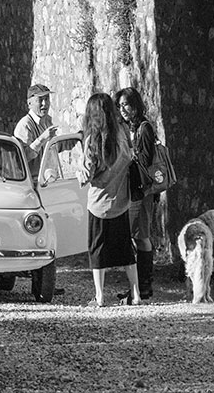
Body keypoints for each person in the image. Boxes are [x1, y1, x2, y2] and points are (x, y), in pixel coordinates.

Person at [77, 91, 141, 308]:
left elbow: (87, 174)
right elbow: (130, 157)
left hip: (98, 204)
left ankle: (100, 297)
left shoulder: (92, 140)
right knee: (126, 250)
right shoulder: (122, 133)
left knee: (97, 251)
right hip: (121, 201)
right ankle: (136, 294)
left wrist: (78, 174)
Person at [115, 86, 156, 300]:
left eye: (127, 105)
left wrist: (130, 155)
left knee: (142, 236)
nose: (123, 109)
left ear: (135, 105)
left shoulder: (144, 128)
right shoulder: (127, 128)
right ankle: (137, 286)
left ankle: (144, 286)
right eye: (120, 105)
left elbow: (147, 161)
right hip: (132, 190)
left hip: (143, 191)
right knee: (135, 236)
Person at [13, 83, 57, 177]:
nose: (44, 104)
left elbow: (56, 147)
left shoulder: (47, 121)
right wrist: (42, 139)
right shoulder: (25, 125)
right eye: (40, 100)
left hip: (49, 180)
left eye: (47, 99)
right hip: (33, 182)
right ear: (29, 104)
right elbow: (23, 157)